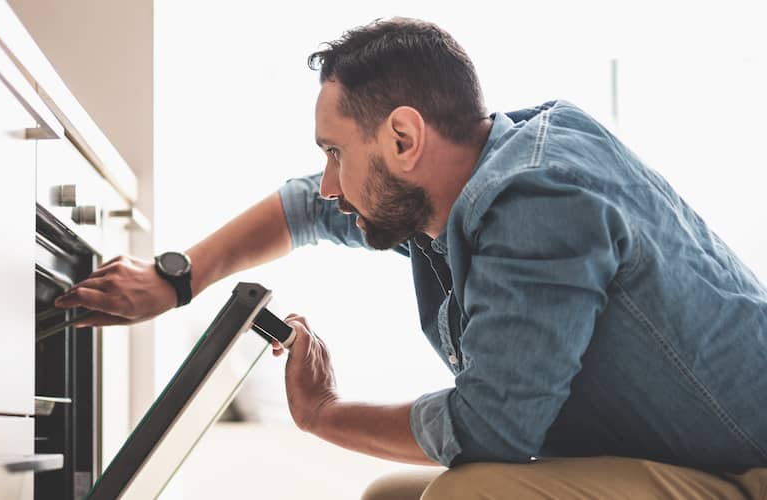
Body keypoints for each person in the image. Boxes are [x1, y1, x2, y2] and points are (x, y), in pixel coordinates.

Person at [53, 16, 767, 499]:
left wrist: (324, 414)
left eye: (335, 152)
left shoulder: (539, 204)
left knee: (471, 492)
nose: (330, 180)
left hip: (748, 472)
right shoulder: (463, 171)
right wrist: (175, 282)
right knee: (390, 496)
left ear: (402, 137)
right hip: (697, 452)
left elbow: (491, 434)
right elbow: (308, 205)